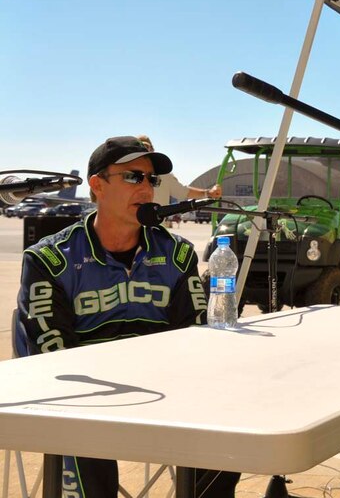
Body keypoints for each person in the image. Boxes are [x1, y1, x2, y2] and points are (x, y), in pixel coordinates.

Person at [15, 135, 239, 497]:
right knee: (82, 439)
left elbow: (199, 339)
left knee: (233, 434)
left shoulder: (177, 254)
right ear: (97, 185)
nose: (147, 188)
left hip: (164, 394)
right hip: (85, 402)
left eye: (151, 179)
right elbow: (52, 358)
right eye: (133, 177)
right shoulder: (50, 260)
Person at [137, 134, 222, 206]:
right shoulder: (125, 175)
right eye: (140, 148)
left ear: (152, 149)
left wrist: (209, 193)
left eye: (147, 147)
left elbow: (183, 192)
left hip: (155, 224)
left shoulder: (164, 176)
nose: (144, 151)